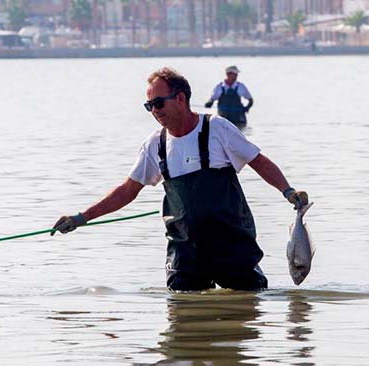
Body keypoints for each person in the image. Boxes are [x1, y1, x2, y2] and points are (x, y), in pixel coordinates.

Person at [52, 67, 308, 292]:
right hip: (185, 255)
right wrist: (80, 218)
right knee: (181, 328)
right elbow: (126, 191)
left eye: (159, 103)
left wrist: (288, 191)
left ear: (181, 98)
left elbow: (258, 161)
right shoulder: (155, 145)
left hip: (232, 247)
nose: (154, 110)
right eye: (149, 105)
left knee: (246, 312)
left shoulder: (217, 129)